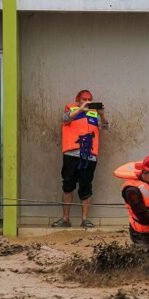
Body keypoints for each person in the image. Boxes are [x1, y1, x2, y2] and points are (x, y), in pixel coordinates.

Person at [53, 89, 109, 228]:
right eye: (84, 99)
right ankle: (65, 219)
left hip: (89, 156)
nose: (87, 101)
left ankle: (85, 219)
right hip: (71, 154)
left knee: (86, 186)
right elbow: (65, 119)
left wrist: (102, 115)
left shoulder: (94, 113)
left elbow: (106, 127)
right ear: (78, 100)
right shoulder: (70, 109)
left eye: (89, 99)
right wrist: (80, 109)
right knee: (68, 186)